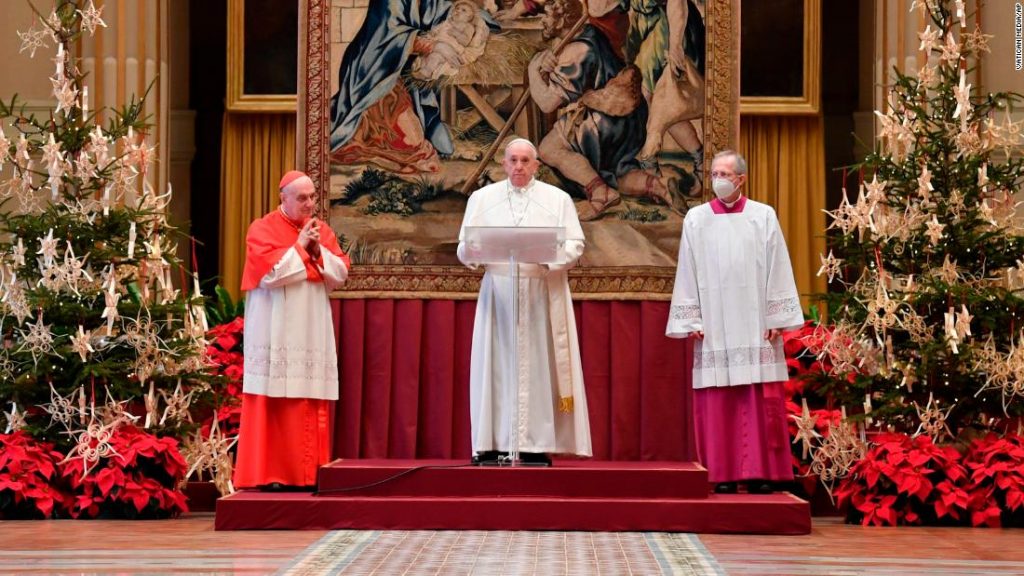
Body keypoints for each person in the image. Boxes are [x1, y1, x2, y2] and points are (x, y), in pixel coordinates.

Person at [665, 150, 803, 494]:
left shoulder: (763, 216)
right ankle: (723, 473)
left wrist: (776, 316)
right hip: (714, 323)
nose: (718, 180)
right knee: (719, 400)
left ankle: (759, 473)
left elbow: (778, 265)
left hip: (756, 323)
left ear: (741, 179)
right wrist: (692, 317)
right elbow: (687, 269)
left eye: (724, 174)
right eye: (714, 174)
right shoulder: (696, 219)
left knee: (756, 399)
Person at [456, 138, 592, 466]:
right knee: (495, 367)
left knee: (537, 368)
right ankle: (491, 442)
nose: (519, 166)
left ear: (536, 166)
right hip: (498, 294)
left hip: (540, 292)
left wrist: (548, 257)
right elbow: (463, 246)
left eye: (525, 161)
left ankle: (533, 444)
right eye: (513, 160)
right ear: (503, 164)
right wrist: (474, 252)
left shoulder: (558, 199)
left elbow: (576, 244)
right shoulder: (481, 199)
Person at [233, 170, 351, 491]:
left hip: (311, 329)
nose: (309, 204)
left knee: (307, 398)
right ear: (283, 198)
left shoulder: (320, 230)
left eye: (312, 197)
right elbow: (269, 276)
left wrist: (317, 250)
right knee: (273, 401)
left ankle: (308, 474)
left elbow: (340, 273)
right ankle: (271, 474)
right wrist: (300, 247)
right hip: (274, 328)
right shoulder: (262, 228)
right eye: (302, 198)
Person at [525, 0, 673, 221]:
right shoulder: (592, 34)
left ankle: (600, 193)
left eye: (546, 15)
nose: (542, 21)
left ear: (562, 20)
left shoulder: (577, 50)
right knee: (617, 172)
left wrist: (532, 72)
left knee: (549, 149)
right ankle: (658, 186)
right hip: (630, 121)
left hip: (604, 120)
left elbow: (547, 103)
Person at [411, 0, 490, 81]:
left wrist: (457, 34)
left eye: (463, 10)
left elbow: (465, 41)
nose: (458, 11)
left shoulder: (468, 27)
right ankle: (421, 67)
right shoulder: (447, 22)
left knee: (435, 57)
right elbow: (436, 29)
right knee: (425, 57)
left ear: (469, 17)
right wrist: (432, 33)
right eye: (457, 8)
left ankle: (426, 73)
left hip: (452, 47)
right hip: (437, 42)